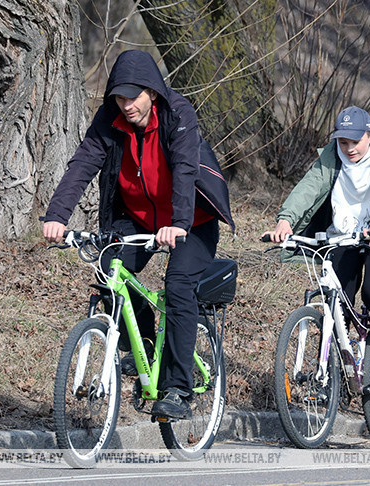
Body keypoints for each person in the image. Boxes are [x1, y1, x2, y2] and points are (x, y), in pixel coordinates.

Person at [43, 49, 234, 420]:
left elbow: (184, 169)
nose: (126, 105)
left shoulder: (177, 113)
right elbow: (83, 163)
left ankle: (179, 389)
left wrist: (178, 223)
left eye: (133, 96)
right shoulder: (110, 118)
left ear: (153, 93)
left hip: (190, 220)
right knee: (109, 270)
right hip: (139, 217)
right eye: (119, 96)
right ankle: (143, 343)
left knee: (178, 286)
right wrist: (57, 216)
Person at [263, 106, 370, 379]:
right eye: (343, 142)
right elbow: (310, 185)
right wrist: (285, 220)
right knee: (338, 300)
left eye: (355, 141)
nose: (349, 149)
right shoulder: (331, 156)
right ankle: (335, 375)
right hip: (344, 234)